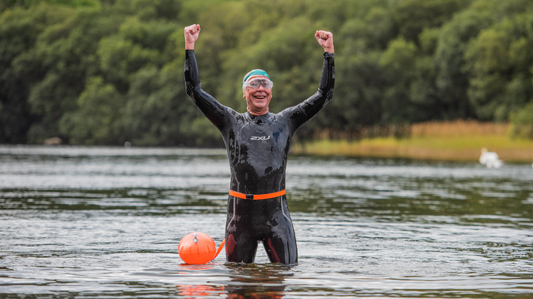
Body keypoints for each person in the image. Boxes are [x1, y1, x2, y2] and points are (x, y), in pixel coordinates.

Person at [184, 24, 335, 264]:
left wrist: (329, 52)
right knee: (238, 285)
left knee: (284, 277)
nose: (260, 89)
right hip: (239, 220)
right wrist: (190, 46)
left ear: (271, 93)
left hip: (277, 217)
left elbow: (324, 94)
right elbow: (194, 90)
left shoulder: (286, 121)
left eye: (265, 84)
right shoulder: (230, 121)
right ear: (244, 93)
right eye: (253, 84)